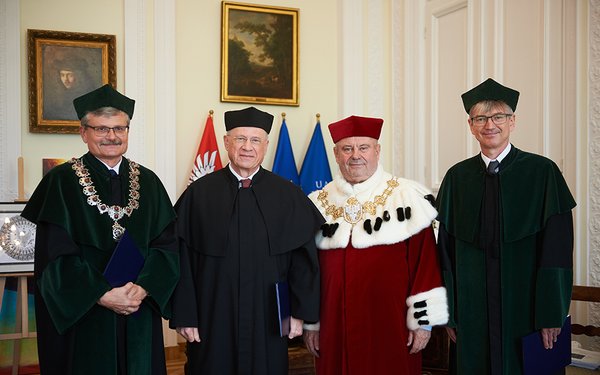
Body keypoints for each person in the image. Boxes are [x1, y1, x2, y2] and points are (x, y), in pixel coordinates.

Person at [21, 84, 180, 374]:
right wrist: (102, 295)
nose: (112, 137)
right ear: (84, 132)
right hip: (85, 314)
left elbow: (167, 248)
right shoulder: (61, 182)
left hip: (137, 309)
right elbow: (54, 258)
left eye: (120, 129)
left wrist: (143, 289)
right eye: (102, 129)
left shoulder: (149, 182)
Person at [436, 78, 576, 375]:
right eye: (481, 118)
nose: (490, 125)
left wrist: (552, 313)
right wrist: (447, 313)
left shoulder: (542, 172)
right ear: (470, 124)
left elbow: (558, 250)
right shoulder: (457, 178)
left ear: (513, 121)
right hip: (472, 315)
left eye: (499, 116)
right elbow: (444, 255)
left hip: (527, 311)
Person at [170, 106, 325, 374]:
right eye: (240, 139)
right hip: (212, 314)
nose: (247, 147)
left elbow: (304, 261)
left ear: (265, 146)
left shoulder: (288, 195)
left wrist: (300, 314)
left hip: (269, 318)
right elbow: (179, 259)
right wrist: (185, 314)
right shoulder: (198, 194)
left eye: (255, 140)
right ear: (226, 142)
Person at [302, 115, 449, 375]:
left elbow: (425, 265)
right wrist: (312, 324)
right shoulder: (318, 203)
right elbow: (308, 271)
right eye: (347, 149)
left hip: (391, 325)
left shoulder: (406, 196)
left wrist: (422, 324)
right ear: (336, 155)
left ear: (377, 151)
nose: (355, 155)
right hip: (333, 326)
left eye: (363, 148)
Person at [43, 56, 98, 120]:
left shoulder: (87, 94)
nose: (65, 80)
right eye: (62, 75)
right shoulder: (61, 94)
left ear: (79, 76)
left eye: (70, 75)